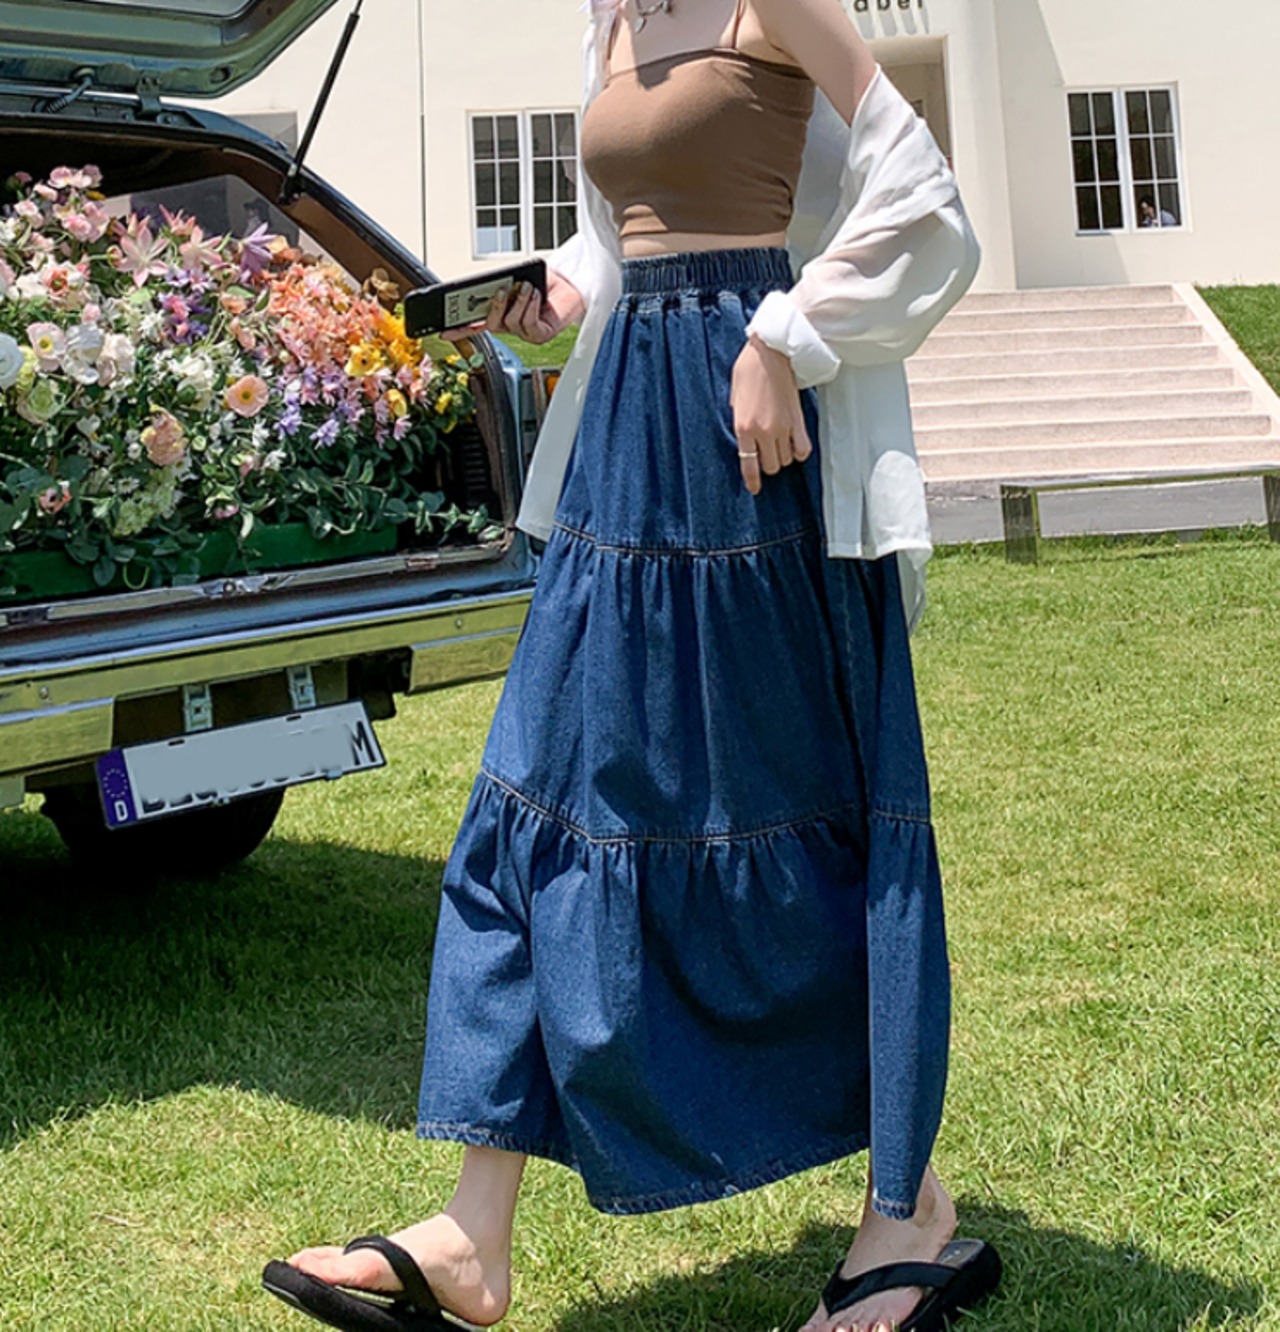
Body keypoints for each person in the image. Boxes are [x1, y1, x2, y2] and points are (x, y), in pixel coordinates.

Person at [262, 1, 998, 1330]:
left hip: (752, 448)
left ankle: (910, 1213)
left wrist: (786, 337)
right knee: (538, 792)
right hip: (624, 440)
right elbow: (616, 242)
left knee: (789, 807)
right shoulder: (613, 15)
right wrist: (555, 294)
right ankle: (473, 1234)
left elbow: (926, 199)